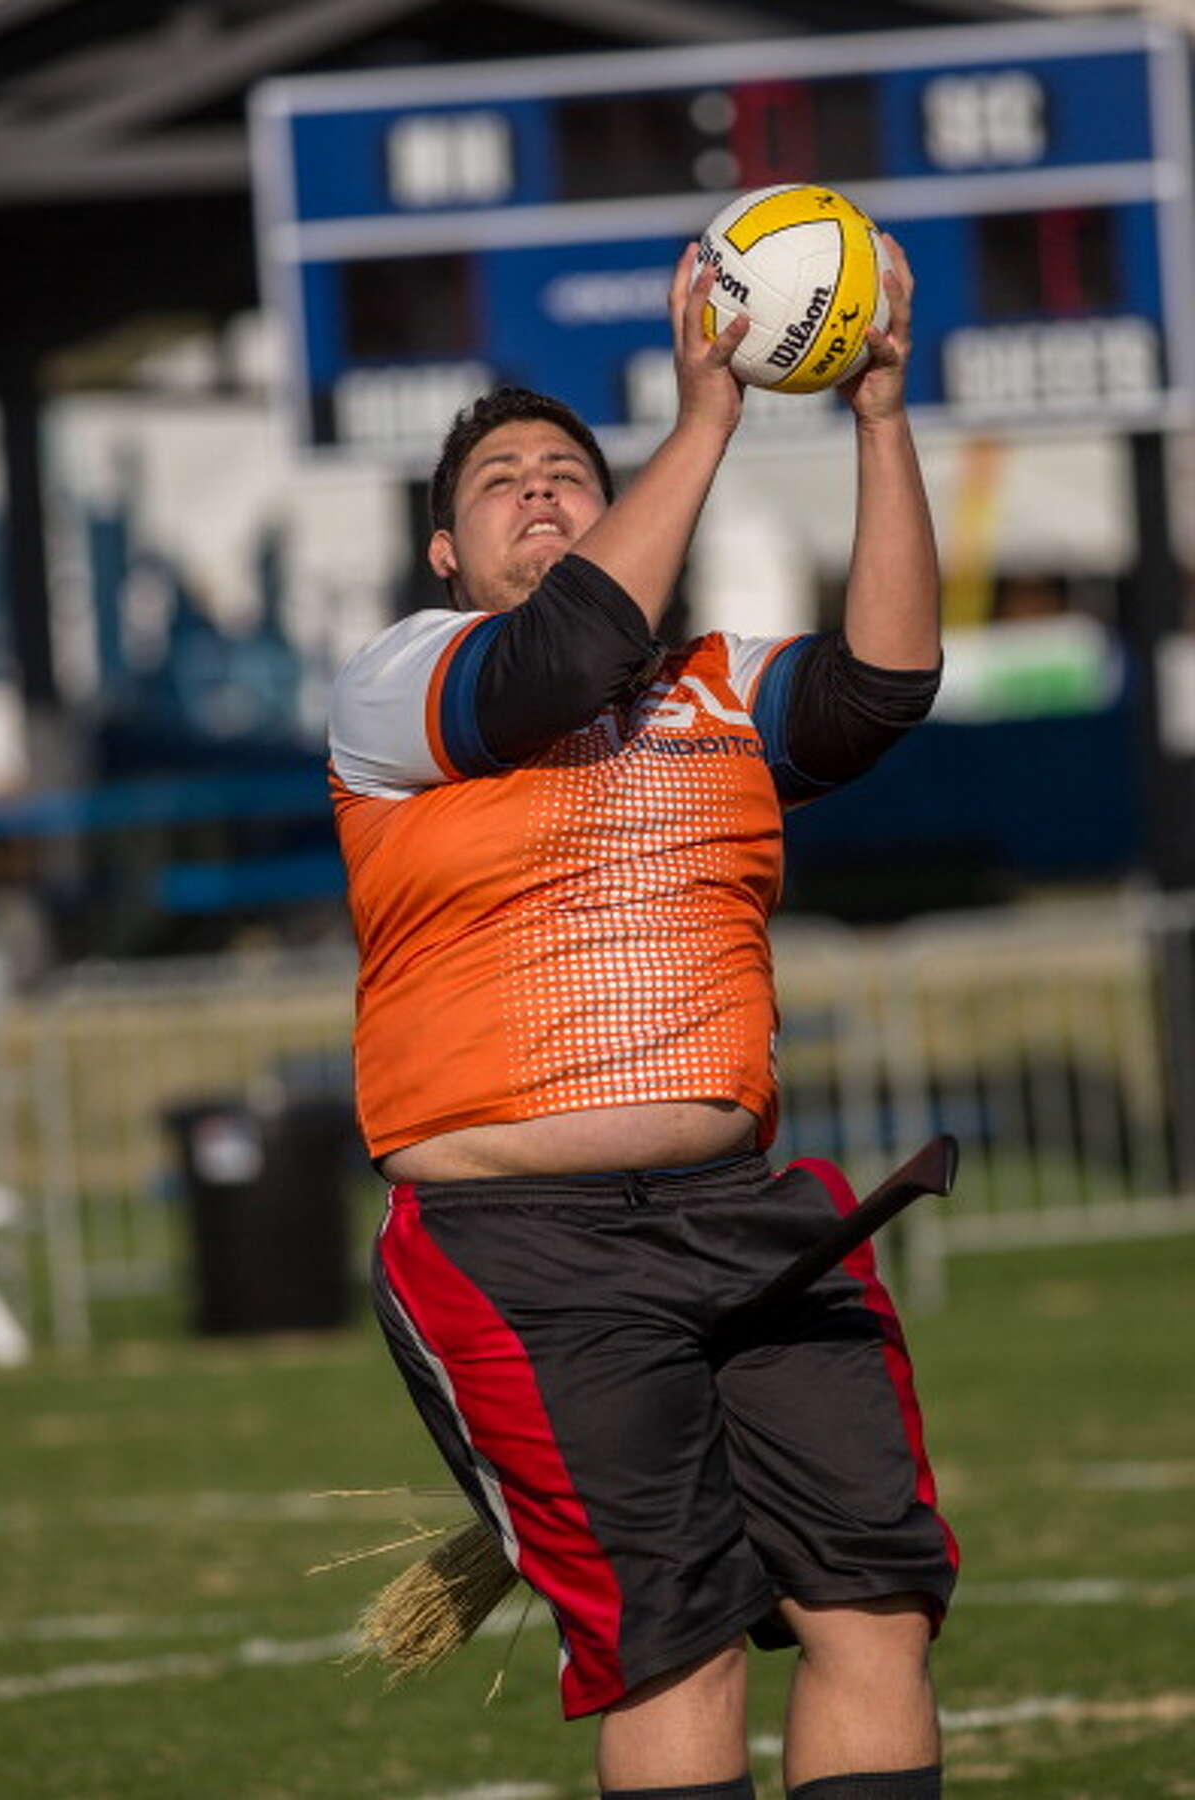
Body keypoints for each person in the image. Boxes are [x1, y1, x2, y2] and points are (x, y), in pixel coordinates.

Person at [328, 239, 957, 1800]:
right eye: (502, 483)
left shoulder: (713, 686)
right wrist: (712, 412)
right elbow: (565, 658)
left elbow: (883, 685)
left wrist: (880, 416)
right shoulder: (400, 686)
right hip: (517, 1250)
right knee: (672, 1637)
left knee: (875, 1605)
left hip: (741, 1216)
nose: (541, 490)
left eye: (568, 472)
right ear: (441, 553)